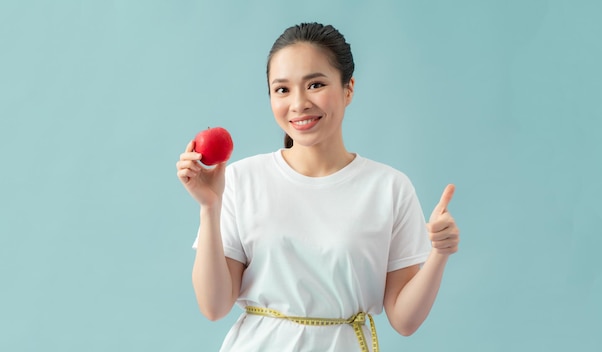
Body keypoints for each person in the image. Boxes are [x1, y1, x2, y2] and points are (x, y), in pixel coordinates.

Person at [176, 22, 460, 352]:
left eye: (315, 84)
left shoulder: (389, 188)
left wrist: (440, 253)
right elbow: (214, 307)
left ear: (348, 88)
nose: (298, 103)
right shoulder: (241, 180)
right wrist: (209, 208)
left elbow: (404, 320)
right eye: (282, 89)